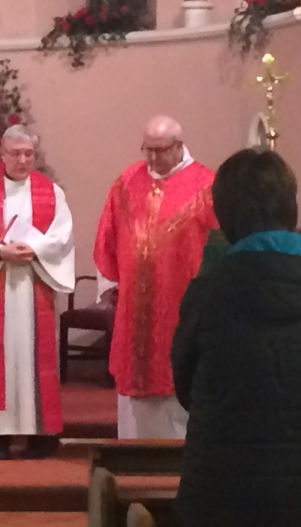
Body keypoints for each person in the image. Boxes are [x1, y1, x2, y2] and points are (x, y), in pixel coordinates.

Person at [172, 149, 301, 527]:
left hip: (218, 501)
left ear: (225, 213)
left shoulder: (207, 293)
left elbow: (185, 388)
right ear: (290, 207)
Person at [93, 116, 217, 439]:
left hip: (183, 307)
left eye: (160, 150)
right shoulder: (125, 182)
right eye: (147, 149)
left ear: (179, 146)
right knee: (134, 416)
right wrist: (110, 284)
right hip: (134, 311)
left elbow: (220, 245)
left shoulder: (207, 186)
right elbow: (107, 234)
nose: (152, 158)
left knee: (178, 394)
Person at [0, 125, 75, 458]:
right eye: (16, 153)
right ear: (1, 152)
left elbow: (62, 235)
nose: (23, 160)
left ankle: (39, 432)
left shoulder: (51, 192)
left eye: (29, 154)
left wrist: (34, 248)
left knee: (34, 356)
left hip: (33, 285)